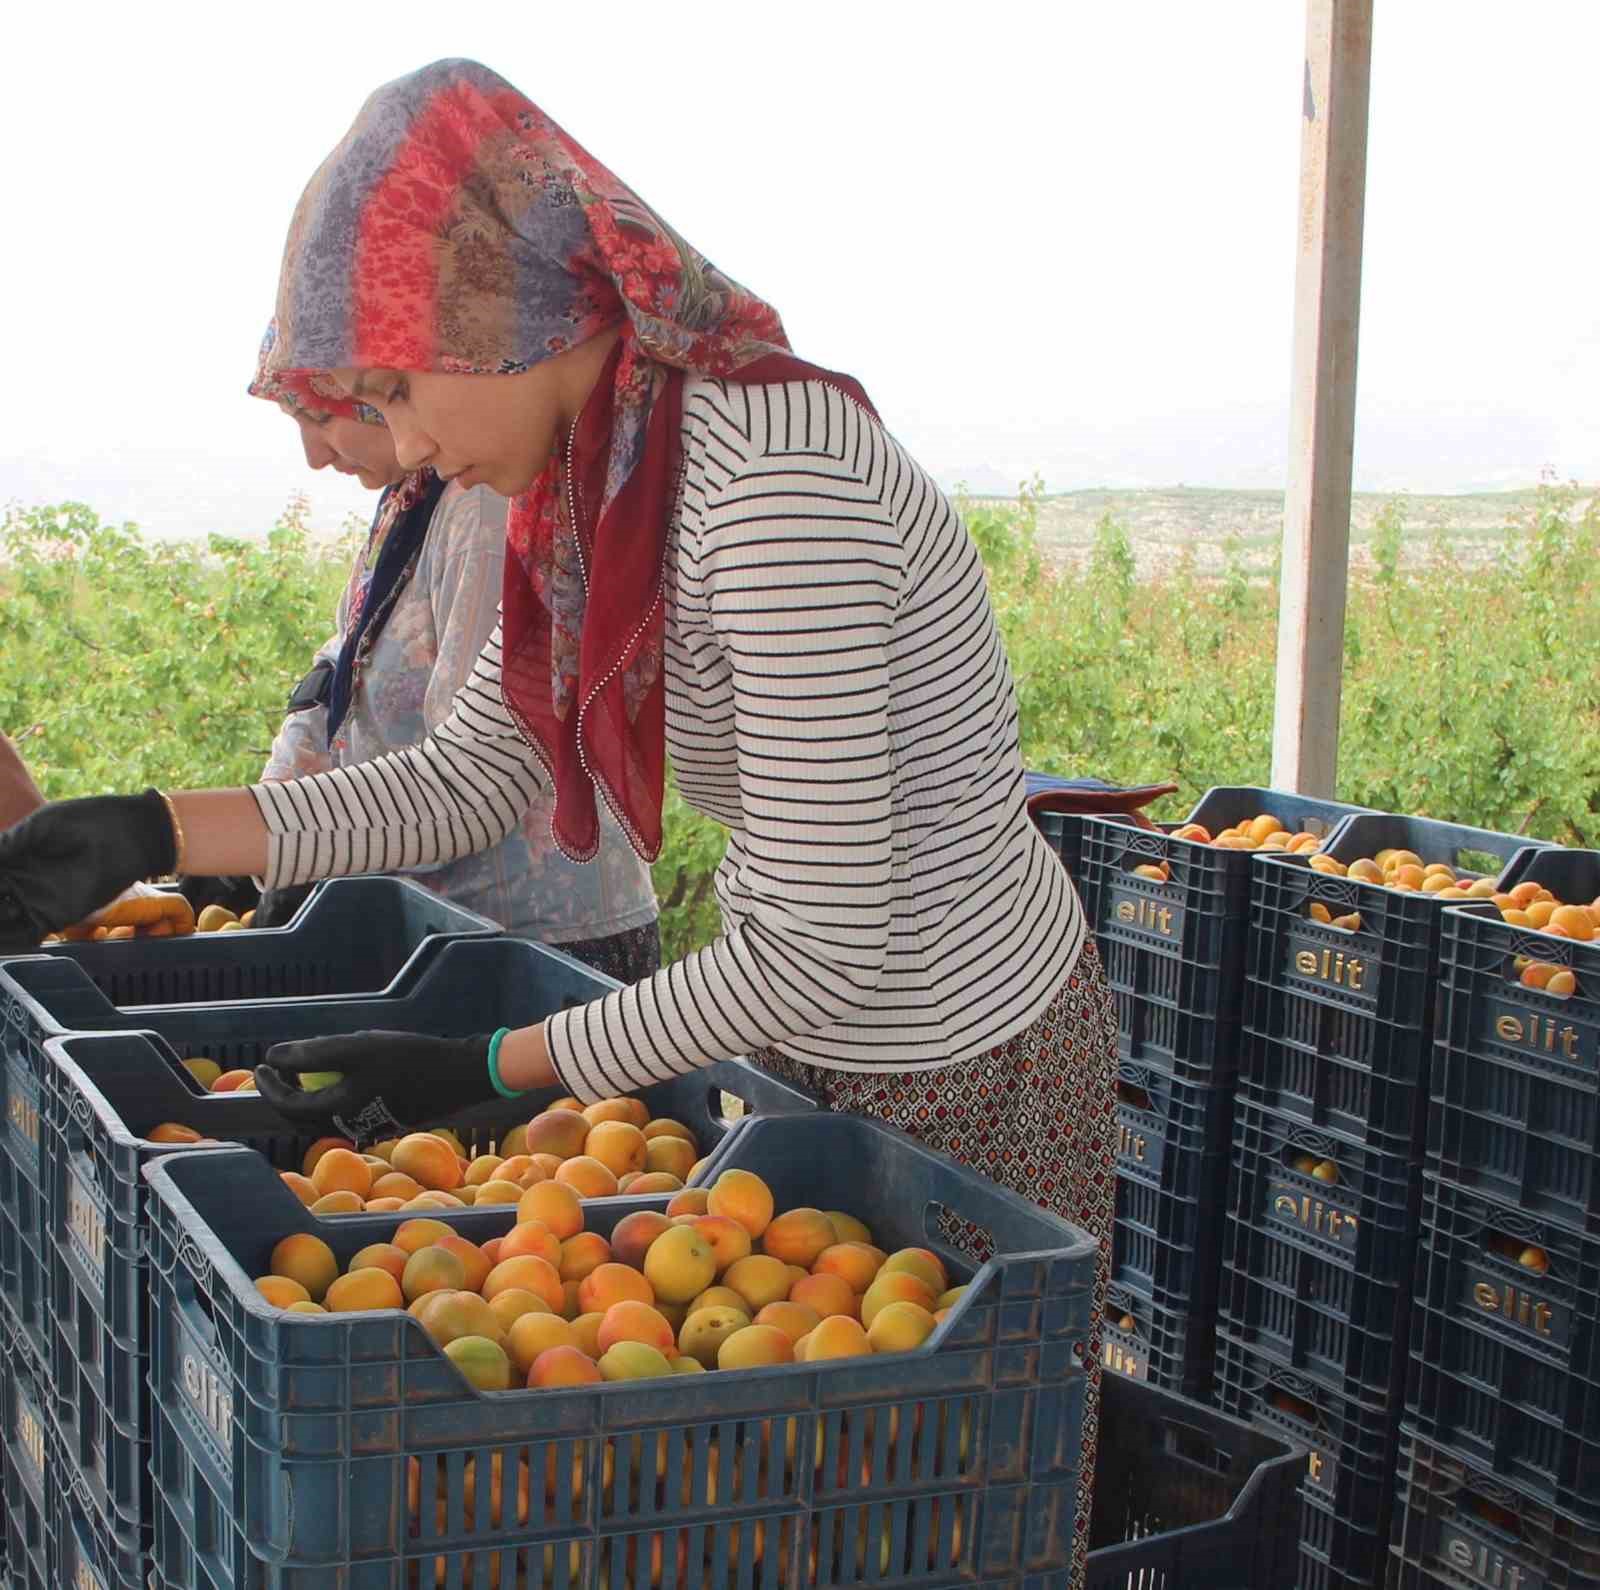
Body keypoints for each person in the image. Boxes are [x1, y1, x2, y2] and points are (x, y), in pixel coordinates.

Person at [0, 60, 1115, 1579]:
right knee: (771, 1504)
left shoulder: (771, 484)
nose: (393, 440)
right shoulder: (591, 494)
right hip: (801, 1049)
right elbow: (471, 775)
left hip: (957, 1051)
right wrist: (149, 832)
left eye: (394, 384)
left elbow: (823, 943)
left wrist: (487, 1064)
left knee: (926, 1505)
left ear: (493, 311)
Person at [248, 341, 660, 976]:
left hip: (539, 945)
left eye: (322, 417)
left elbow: (463, 778)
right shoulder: (409, 504)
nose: (315, 454)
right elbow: (340, 667)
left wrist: (262, 836)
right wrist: (272, 812)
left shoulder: (485, 500)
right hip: (448, 925)